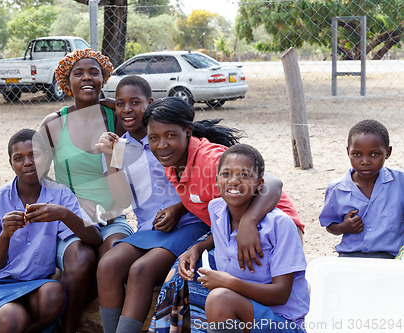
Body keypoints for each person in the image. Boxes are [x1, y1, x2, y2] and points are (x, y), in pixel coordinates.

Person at [141, 97, 305, 331]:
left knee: (215, 291)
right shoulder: (179, 168)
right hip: (235, 231)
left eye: (170, 135)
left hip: (265, 228)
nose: (162, 144)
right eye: (153, 138)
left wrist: (249, 222)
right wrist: (186, 223)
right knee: (189, 274)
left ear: (187, 132)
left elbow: (271, 182)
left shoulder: (211, 160)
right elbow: (206, 201)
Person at [95, 76, 210, 333]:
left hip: (189, 222)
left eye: (135, 102)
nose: (127, 109)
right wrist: (111, 159)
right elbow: (121, 200)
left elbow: (201, 184)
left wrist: (178, 208)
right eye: (121, 103)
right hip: (149, 228)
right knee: (108, 266)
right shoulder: (118, 147)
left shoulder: (168, 139)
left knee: (141, 270)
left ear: (150, 103)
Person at [0, 129, 102, 333]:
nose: (27, 162)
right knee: (13, 318)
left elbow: (95, 239)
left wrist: (64, 214)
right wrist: (5, 235)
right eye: (19, 158)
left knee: (55, 293)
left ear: (46, 157)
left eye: (35, 155)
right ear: (11, 164)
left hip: (37, 285)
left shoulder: (60, 195)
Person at [38, 48, 134, 332]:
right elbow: (38, 178)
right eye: (78, 73)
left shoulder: (115, 117)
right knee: (80, 260)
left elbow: (123, 169)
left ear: (104, 78)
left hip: (113, 216)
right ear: (67, 83)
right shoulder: (53, 124)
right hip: (71, 219)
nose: (87, 78)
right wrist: (70, 206)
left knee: (113, 255)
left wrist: (112, 153)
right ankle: (68, 327)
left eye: (94, 72)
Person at [182, 144, 309, 333]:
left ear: (259, 184)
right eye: (226, 174)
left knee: (219, 298)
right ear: (216, 181)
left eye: (244, 175)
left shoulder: (279, 224)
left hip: (282, 323)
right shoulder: (217, 210)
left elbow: (281, 295)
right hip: (242, 313)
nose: (233, 181)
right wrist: (197, 248)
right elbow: (223, 238)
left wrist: (229, 282)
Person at [319, 119, 404, 259]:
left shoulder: (400, 182)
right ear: (348, 152)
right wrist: (343, 228)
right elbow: (329, 224)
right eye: (357, 154)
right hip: (351, 256)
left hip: (392, 258)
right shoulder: (337, 189)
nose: (365, 161)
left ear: (388, 152)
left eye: (374, 154)